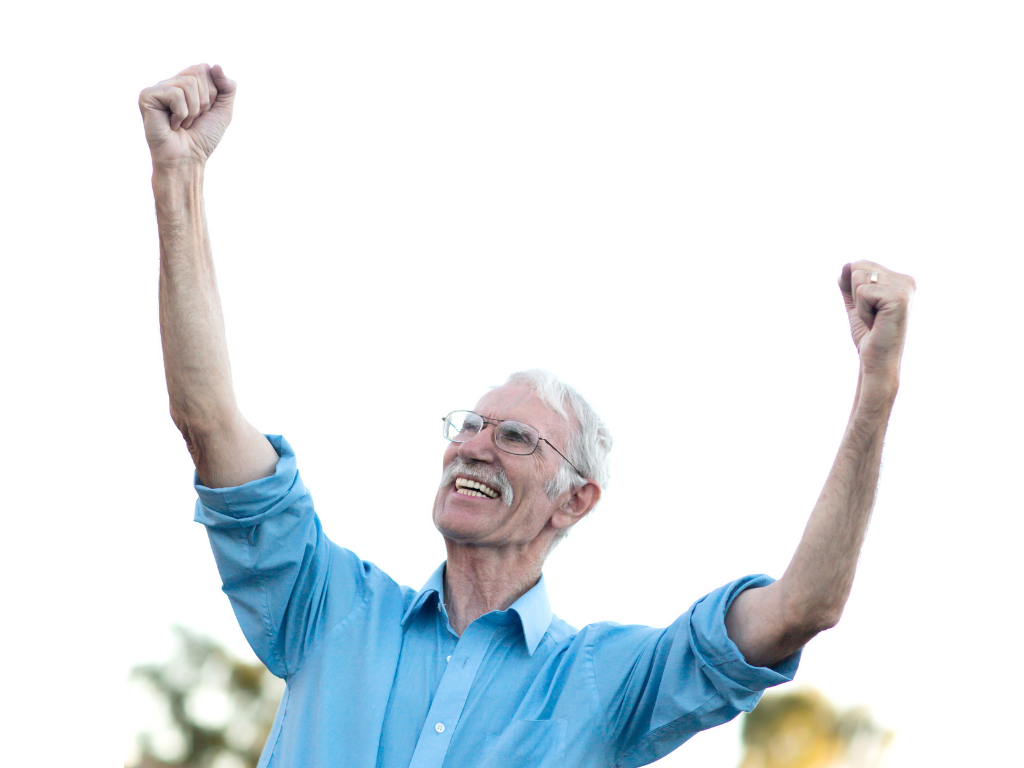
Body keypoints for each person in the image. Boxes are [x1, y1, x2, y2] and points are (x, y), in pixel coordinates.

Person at [139, 64, 916, 768]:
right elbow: (207, 421)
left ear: (575, 498)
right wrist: (180, 178)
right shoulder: (331, 609)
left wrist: (873, 395)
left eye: (514, 437)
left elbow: (802, 608)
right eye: (467, 427)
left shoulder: (604, 684)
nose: (474, 447)